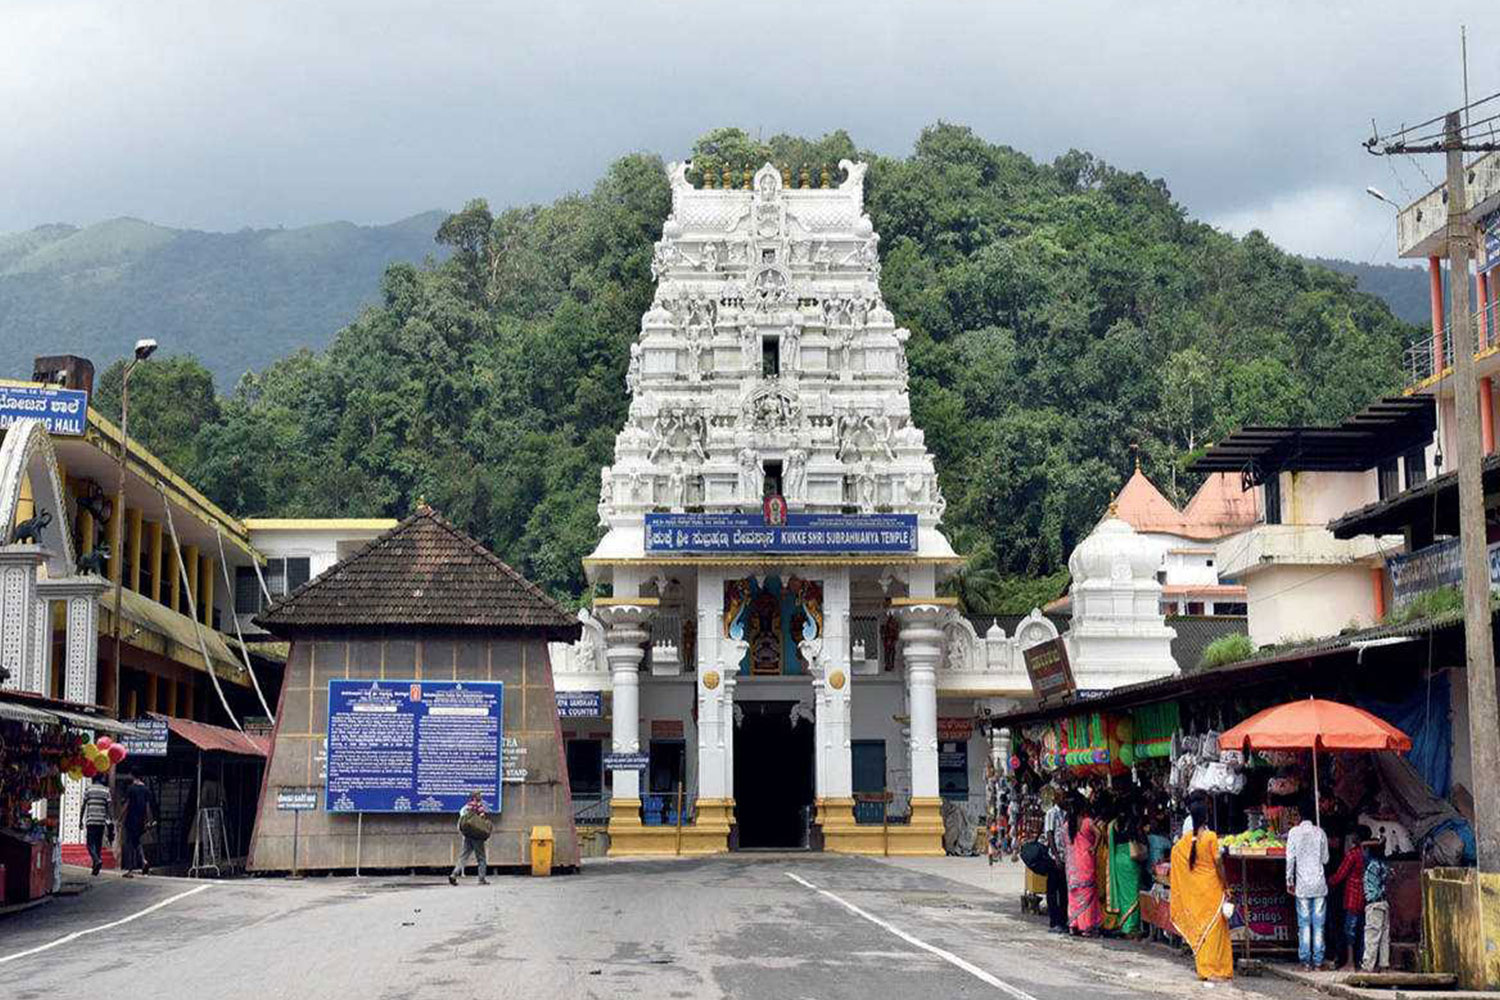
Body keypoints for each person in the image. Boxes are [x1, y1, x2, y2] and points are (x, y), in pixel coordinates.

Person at [1169, 798, 1233, 981]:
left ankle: (1205, 969)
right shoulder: (1211, 837)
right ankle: (1216, 969)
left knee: (1203, 929)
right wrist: (1226, 886)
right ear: (1206, 816)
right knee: (1215, 930)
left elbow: (1175, 854)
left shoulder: (1187, 839)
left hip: (1197, 891)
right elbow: (1219, 864)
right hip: (1212, 887)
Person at [1285, 800, 1331, 971]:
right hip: (1319, 883)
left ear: (1299, 815)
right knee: (1318, 925)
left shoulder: (1294, 833)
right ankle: (1318, 962)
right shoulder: (1320, 833)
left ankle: (1305, 962)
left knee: (1304, 924)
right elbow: (1326, 859)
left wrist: (1289, 881)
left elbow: (1290, 859)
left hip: (1302, 884)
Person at [1328, 826, 1371, 970]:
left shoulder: (1353, 855)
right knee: (1364, 930)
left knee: (1349, 931)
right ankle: (1363, 961)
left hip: (1353, 896)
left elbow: (1340, 875)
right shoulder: (1370, 854)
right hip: (1368, 896)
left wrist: (1328, 881)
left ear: (1357, 838)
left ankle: (1350, 963)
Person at [1067, 797, 1103, 936]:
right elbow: (1099, 833)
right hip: (1086, 861)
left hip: (1073, 864)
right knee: (1088, 893)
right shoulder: (1087, 822)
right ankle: (1086, 927)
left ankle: (1073, 924)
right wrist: (1094, 848)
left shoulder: (1068, 824)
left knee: (1074, 894)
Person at [1106, 804, 1143, 936]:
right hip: (1129, 860)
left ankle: (1122, 924)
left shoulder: (1113, 825)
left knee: (1122, 894)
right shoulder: (1131, 824)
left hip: (1117, 859)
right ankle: (1131, 927)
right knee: (1133, 895)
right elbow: (1135, 843)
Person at [1361, 838, 1391, 972]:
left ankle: (1368, 967)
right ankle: (1384, 965)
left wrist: (1375, 843)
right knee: (1384, 937)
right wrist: (1380, 843)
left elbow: (1362, 845)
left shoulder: (1371, 864)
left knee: (1372, 936)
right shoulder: (1383, 865)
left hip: (1374, 904)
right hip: (1384, 902)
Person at [448, 791, 490, 886]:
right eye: (479, 794)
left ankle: (454, 874)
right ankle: (481, 879)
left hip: (467, 835)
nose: (481, 796)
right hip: (477, 836)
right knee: (481, 858)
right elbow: (482, 820)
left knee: (463, 856)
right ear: (476, 796)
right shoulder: (479, 807)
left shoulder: (467, 806)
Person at [118, 772, 154, 877]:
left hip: (131, 819)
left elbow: (127, 805)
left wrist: (120, 818)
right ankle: (143, 861)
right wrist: (148, 820)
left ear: (133, 775)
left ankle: (130, 869)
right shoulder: (146, 789)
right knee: (137, 841)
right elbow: (147, 807)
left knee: (130, 844)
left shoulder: (131, 789)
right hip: (141, 820)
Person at [1043, 789, 1069, 933]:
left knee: (1064, 891)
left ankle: (1063, 920)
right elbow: (1050, 835)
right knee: (1052, 891)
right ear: (1057, 798)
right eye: (1063, 798)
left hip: (1066, 857)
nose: (1064, 800)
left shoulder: (1066, 814)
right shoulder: (1051, 813)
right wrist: (1057, 857)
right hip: (1055, 858)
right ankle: (1054, 922)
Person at [79, 775, 111, 876]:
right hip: (101, 821)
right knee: (97, 844)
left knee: (89, 844)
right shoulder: (106, 791)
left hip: (91, 820)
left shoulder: (88, 789)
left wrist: (80, 820)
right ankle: (95, 868)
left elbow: (83, 805)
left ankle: (96, 860)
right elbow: (108, 807)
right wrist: (109, 820)